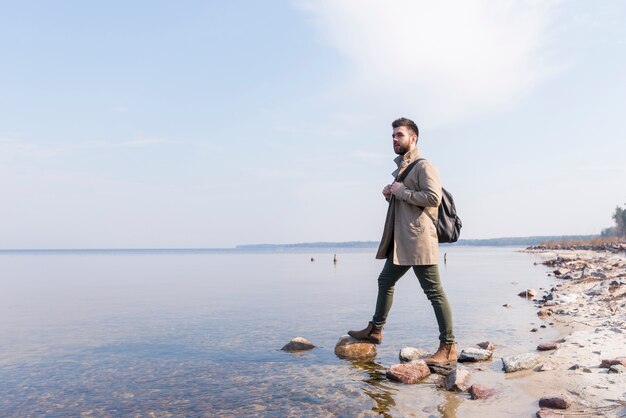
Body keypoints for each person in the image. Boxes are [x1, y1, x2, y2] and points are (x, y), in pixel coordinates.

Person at [348, 117, 456, 365]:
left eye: (399, 135)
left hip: (418, 241)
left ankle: (448, 346)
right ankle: (375, 329)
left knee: (434, 292)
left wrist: (401, 192)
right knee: (385, 280)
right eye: (393, 136)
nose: (395, 140)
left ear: (413, 138)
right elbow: (408, 204)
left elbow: (432, 198)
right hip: (402, 241)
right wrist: (391, 195)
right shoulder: (404, 168)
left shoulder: (424, 166)